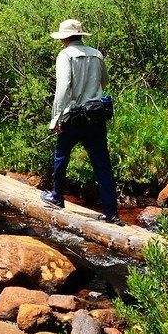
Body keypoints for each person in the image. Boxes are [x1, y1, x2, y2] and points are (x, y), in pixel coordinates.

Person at [40, 19, 121, 225]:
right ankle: (111, 213)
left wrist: (55, 118)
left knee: (61, 155)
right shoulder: (96, 54)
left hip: (73, 116)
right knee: (102, 163)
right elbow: (105, 81)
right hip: (95, 116)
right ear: (81, 35)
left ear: (65, 38)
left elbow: (63, 88)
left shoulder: (65, 55)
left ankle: (57, 197)